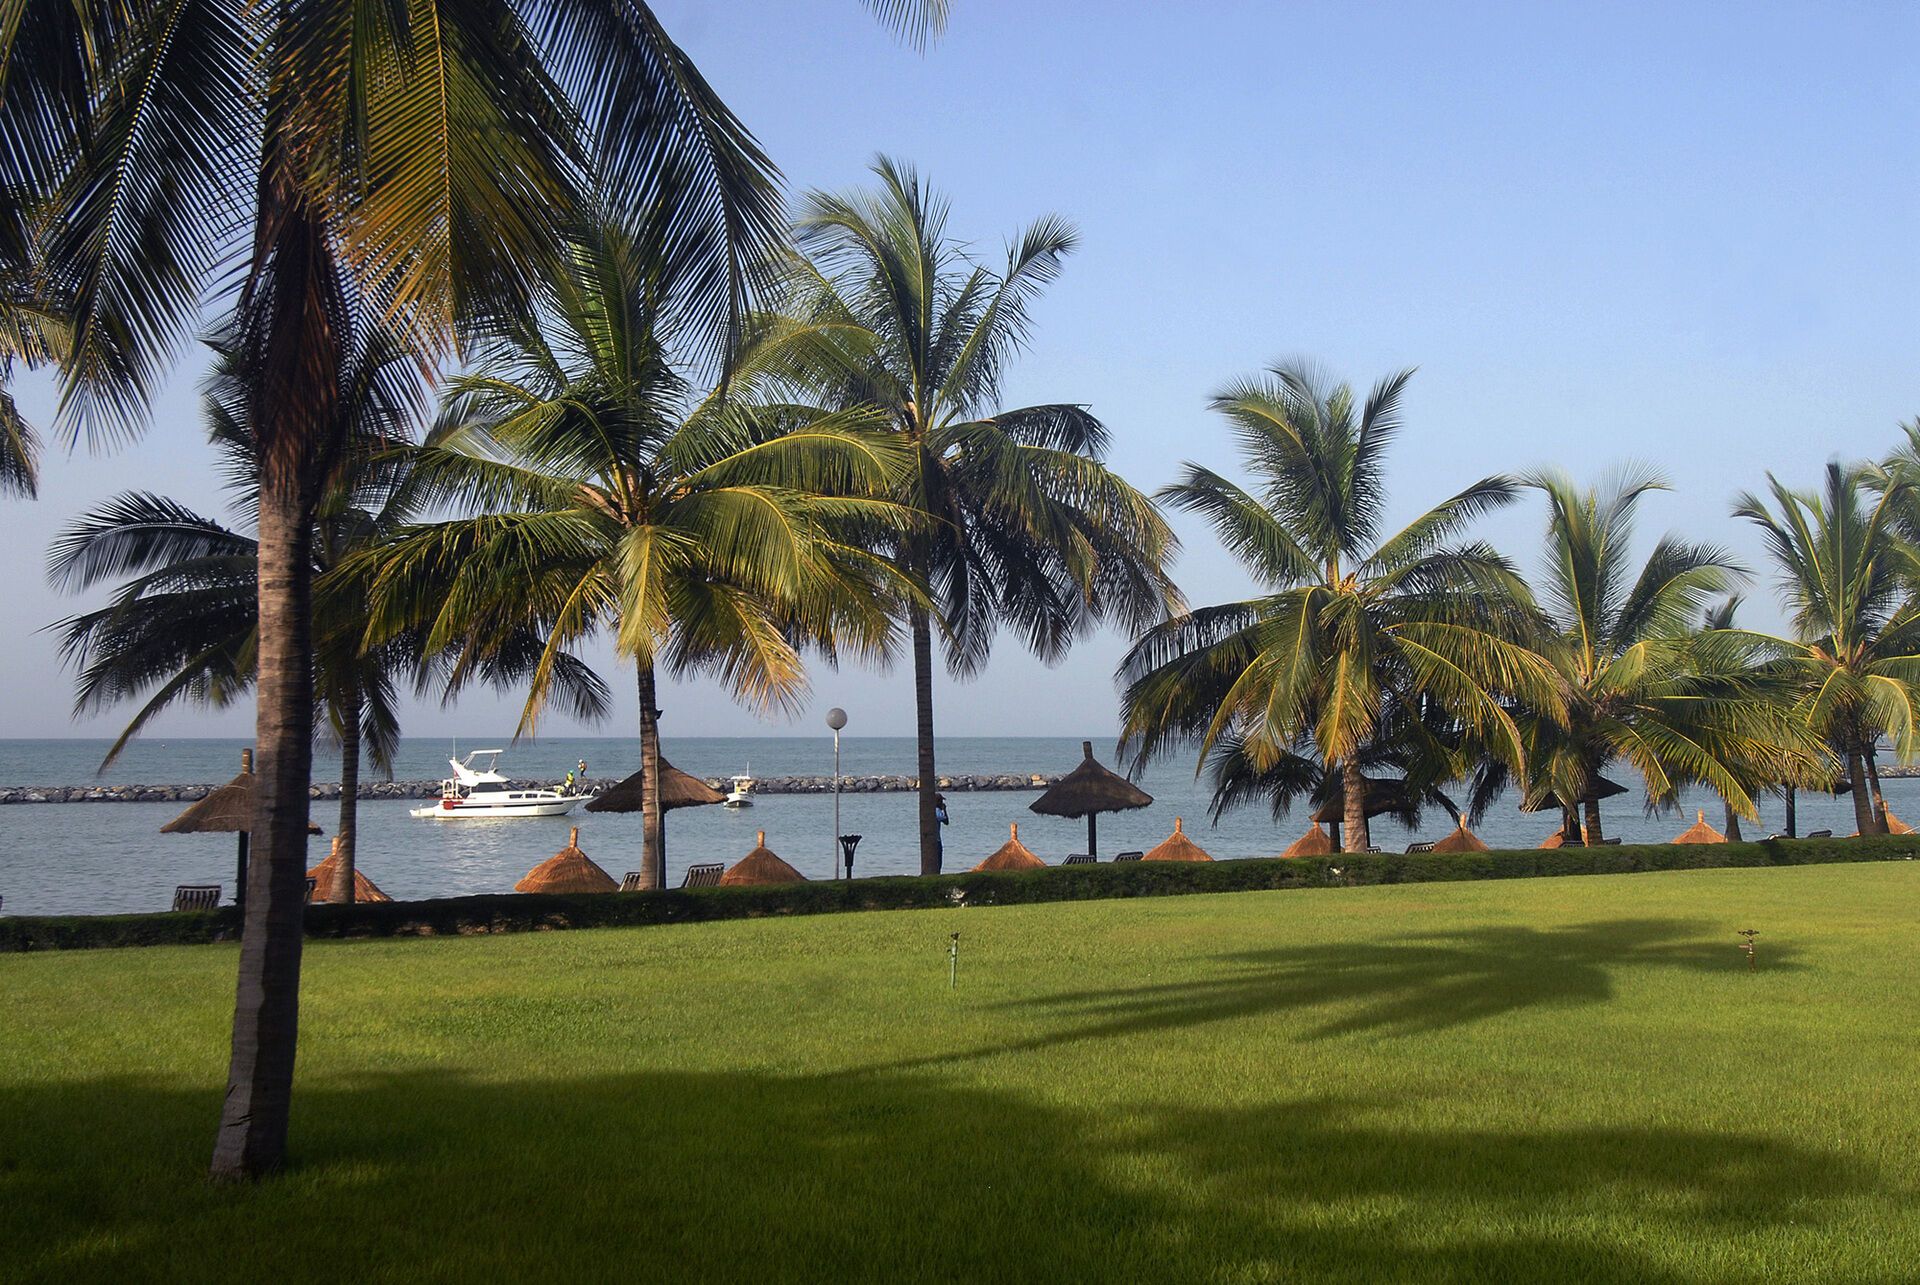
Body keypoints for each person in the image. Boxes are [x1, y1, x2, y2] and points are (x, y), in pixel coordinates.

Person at [934, 792, 950, 863]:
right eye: (941, 801)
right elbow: (946, 821)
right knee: (938, 862)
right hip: (937, 840)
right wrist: (944, 810)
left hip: (932, 839)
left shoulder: (931, 810)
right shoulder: (938, 811)